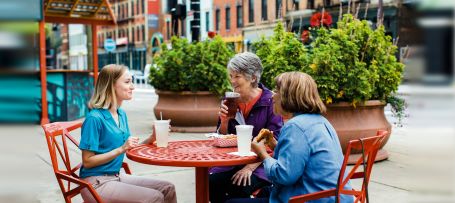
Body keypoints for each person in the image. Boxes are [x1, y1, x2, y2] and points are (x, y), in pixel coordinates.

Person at [228, 71, 353, 203]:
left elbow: (283, 175)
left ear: (289, 96)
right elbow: (302, 157)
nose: (272, 96)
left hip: (311, 198)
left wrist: (262, 153)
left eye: (276, 90)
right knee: (265, 191)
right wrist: (275, 145)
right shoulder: (321, 121)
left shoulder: (295, 127)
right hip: (334, 196)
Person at [79, 64, 177, 203]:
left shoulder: (121, 114)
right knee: (155, 198)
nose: (132, 86)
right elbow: (87, 162)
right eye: (127, 82)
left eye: (131, 81)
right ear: (111, 85)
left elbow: (127, 147)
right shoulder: (94, 119)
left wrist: (151, 138)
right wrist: (121, 149)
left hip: (116, 175)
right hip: (95, 183)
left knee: (168, 188)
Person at [209, 52, 283, 203]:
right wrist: (224, 121)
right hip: (233, 162)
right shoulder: (230, 100)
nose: (232, 81)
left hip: (261, 163)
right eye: (231, 76)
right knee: (211, 182)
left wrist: (249, 168)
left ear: (253, 78)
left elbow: (274, 140)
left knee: (239, 185)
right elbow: (223, 138)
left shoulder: (270, 101)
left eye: (237, 76)